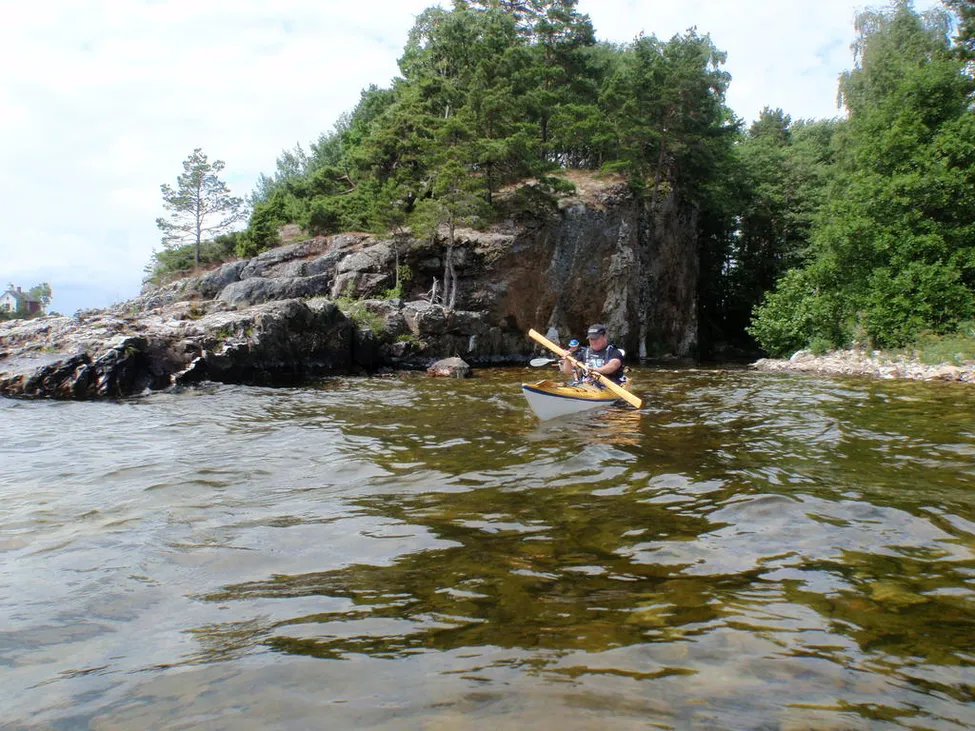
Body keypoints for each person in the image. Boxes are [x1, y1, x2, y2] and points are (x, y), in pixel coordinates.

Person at [560, 323, 625, 385]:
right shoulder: (585, 352)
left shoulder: (614, 352)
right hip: (588, 385)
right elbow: (569, 371)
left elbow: (612, 366)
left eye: (596, 338)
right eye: (591, 339)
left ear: (604, 337)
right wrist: (567, 360)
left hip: (608, 386)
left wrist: (596, 370)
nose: (593, 342)